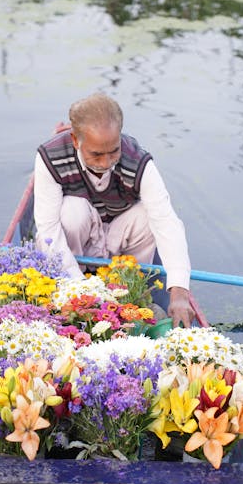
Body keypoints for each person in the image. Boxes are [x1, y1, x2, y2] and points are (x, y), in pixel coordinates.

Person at [33, 92, 195, 327]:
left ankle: (130, 290)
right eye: (96, 154)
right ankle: (71, 286)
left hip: (119, 239)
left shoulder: (138, 162)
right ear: (76, 141)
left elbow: (167, 222)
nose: (106, 162)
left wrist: (179, 292)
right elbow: (48, 229)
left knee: (148, 217)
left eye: (114, 151)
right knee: (71, 211)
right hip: (79, 243)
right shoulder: (50, 157)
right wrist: (81, 290)